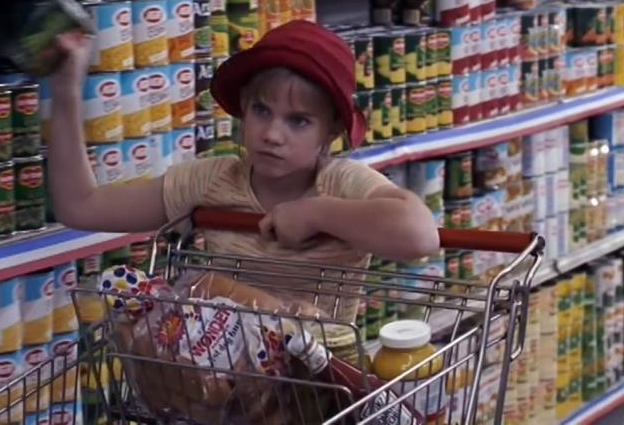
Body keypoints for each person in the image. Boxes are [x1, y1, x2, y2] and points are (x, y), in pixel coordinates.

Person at [47, 19, 440, 326]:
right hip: (218, 377)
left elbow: (420, 235)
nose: (272, 135)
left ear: (331, 132)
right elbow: (81, 207)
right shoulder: (211, 180)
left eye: (299, 121)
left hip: (318, 384)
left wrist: (316, 212)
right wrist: (66, 90)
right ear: (243, 109)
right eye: (261, 111)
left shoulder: (340, 182)